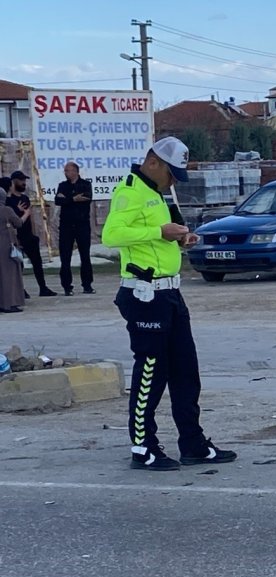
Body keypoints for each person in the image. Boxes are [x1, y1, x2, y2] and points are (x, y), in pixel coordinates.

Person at [102, 136, 236, 471]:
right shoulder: (130, 191)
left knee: (185, 371)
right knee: (150, 372)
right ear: (153, 163)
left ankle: (193, 443)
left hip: (170, 293)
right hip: (144, 295)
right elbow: (112, 235)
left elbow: (158, 239)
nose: (174, 180)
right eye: (171, 172)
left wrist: (179, 239)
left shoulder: (157, 194)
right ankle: (143, 447)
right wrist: (158, 230)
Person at [6, 170, 58, 297]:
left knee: (37, 262)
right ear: (14, 182)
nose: (24, 183)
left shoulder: (24, 198)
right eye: (21, 181)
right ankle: (20, 290)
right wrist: (19, 211)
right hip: (16, 237)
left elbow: (28, 216)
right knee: (18, 265)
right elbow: (13, 218)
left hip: (28, 236)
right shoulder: (8, 200)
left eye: (24, 181)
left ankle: (43, 287)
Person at [55, 162, 94, 295]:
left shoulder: (85, 184)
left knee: (85, 256)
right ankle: (67, 286)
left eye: (69, 171)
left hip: (82, 224)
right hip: (66, 226)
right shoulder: (62, 185)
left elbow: (87, 198)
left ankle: (87, 285)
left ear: (76, 171)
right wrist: (73, 199)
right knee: (65, 257)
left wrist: (67, 199)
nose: (67, 173)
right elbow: (58, 200)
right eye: (65, 171)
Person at [0, 185, 27, 313]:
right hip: (6, 246)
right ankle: (10, 303)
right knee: (9, 275)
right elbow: (18, 223)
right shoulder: (6, 210)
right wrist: (25, 213)